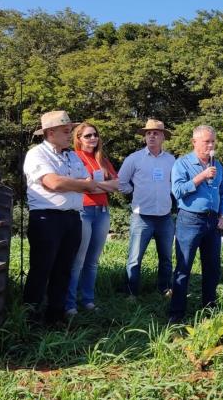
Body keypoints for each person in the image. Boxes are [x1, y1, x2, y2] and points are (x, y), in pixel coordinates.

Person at [23, 111, 98, 325]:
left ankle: (55, 316)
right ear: (50, 132)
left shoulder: (71, 155)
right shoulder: (37, 154)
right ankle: (30, 317)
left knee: (64, 269)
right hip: (47, 219)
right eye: (66, 131)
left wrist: (73, 183)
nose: (70, 135)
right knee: (42, 269)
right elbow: (53, 182)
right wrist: (78, 184)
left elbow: (88, 181)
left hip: (72, 219)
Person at [169, 125, 223, 322]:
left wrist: (222, 215)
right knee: (184, 267)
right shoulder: (182, 163)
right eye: (206, 142)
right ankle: (176, 314)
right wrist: (201, 177)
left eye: (213, 141)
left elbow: (222, 193)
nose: (210, 145)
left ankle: (209, 310)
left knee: (212, 268)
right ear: (195, 142)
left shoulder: (218, 166)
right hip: (190, 220)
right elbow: (177, 191)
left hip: (212, 221)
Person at [118, 119, 177, 299]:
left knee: (166, 259)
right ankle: (131, 293)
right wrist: (133, 190)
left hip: (165, 217)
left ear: (163, 138)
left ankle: (164, 289)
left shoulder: (171, 160)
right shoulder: (134, 158)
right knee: (134, 259)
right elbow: (121, 182)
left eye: (156, 133)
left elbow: (175, 184)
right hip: (141, 217)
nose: (151, 135)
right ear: (145, 137)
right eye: (148, 133)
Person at [65, 122, 119, 317]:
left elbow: (117, 185)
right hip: (84, 211)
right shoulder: (74, 157)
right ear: (78, 139)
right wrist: (97, 185)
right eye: (87, 136)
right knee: (78, 260)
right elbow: (78, 185)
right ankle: (69, 304)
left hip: (102, 212)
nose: (92, 138)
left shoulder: (101, 159)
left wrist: (94, 185)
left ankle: (87, 300)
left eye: (94, 134)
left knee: (93, 261)